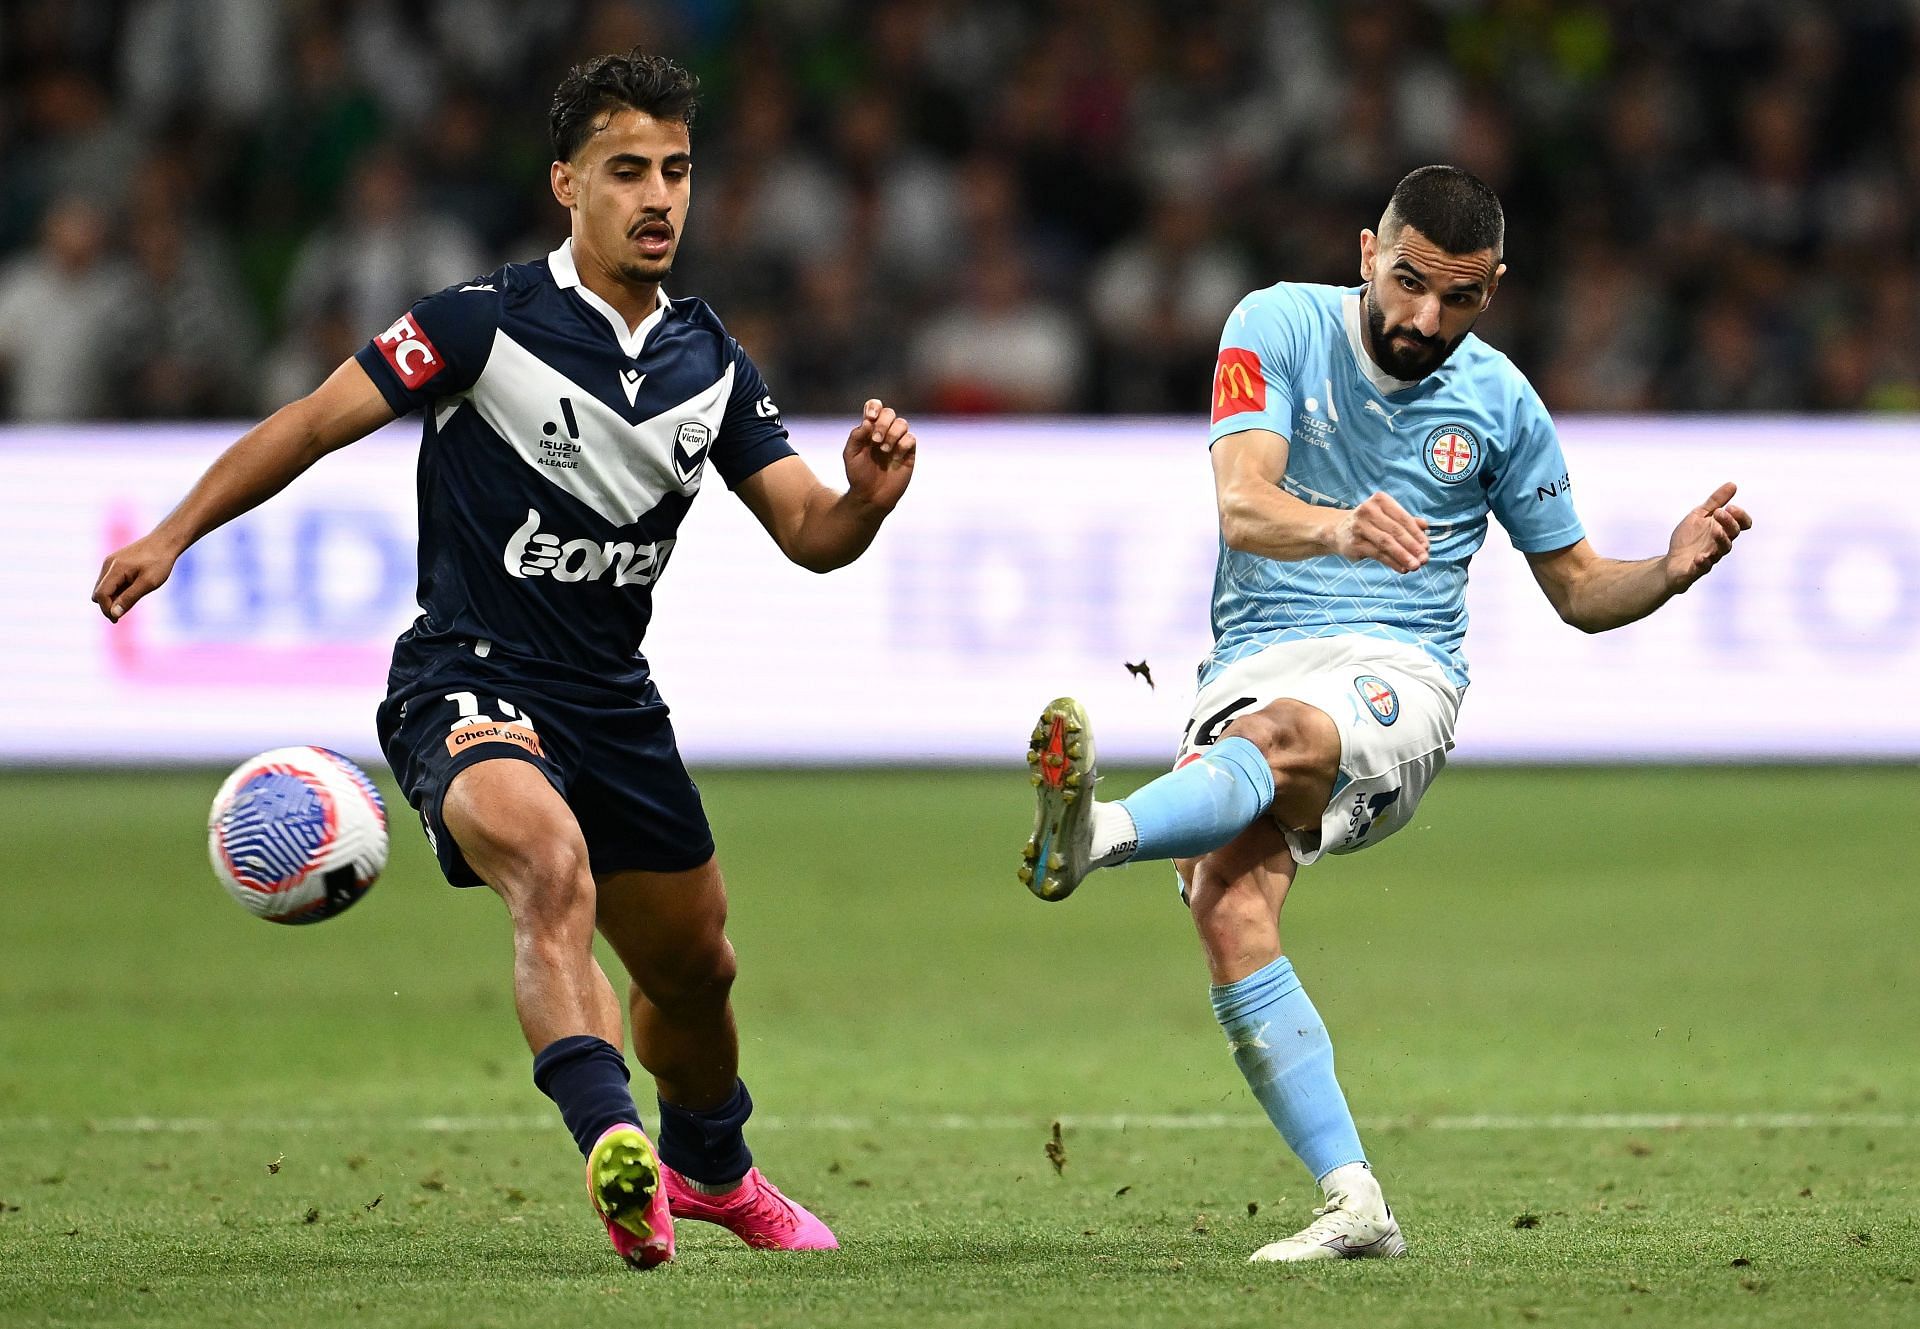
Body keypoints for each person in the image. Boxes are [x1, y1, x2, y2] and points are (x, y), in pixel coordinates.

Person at [93, 50, 917, 1270]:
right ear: (565, 185)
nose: (658, 198)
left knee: (696, 972)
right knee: (549, 868)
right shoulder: (478, 324)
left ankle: (711, 1169)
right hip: (466, 675)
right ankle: (613, 1148)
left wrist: (867, 501)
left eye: (677, 172)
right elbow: (311, 422)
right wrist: (173, 532)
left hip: (615, 703)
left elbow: (808, 534)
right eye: (627, 170)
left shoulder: (710, 361)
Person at [1019, 165, 1748, 1264]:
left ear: (1492, 290)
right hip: (1255, 657)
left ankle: (1099, 833)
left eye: (1458, 298)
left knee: (1282, 741)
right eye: (1408, 282)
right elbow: (1243, 503)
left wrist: (1668, 570)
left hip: (1401, 676)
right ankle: (1357, 1200)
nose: (1423, 318)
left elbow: (1581, 591)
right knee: (1226, 903)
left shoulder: (1501, 403)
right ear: (1368, 249)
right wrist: (1341, 526)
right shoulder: (1275, 321)